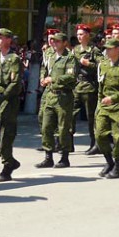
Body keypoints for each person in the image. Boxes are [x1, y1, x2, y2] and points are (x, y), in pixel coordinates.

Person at [36, 32, 78, 169]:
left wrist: (53, 79)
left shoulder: (70, 58)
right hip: (50, 95)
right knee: (46, 126)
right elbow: (45, 68)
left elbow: (71, 76)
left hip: (64, 97)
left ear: (65, 43)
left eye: (58, 41)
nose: (54, 44)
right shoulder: (51, 56)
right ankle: (48, 156)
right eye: (53, 41)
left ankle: (64, 157)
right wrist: (43, 78)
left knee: (63, 128)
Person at [94, 38, 119, 178]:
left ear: (118, 49)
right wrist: (100, 104)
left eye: (110, 48)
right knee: (99, 135)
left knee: (118, 138)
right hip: (104, 106)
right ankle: (109, 161)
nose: (107, 50)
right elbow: (100, 85)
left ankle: (117, 166)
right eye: (106, 48)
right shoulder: (103, 64)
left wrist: (113, 98)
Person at [0, 28, 23, 182]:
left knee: (6, 136)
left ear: (9, 40)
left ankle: (7, 168)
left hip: (8, 101)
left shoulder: (14, 59)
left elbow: (15, 84)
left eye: (1, 38)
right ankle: (11, 161)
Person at [72, 24, 99, 154]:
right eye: (77, 34)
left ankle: (95, 143)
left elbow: (102, 65)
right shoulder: (75, 49)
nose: (79, 36)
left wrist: (88, 64)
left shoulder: (94, 50)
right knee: (70, 114)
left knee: (91, 117)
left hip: (89, 87)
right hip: (77, 86)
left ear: (87, 35)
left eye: (81, 34)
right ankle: (67, 142)